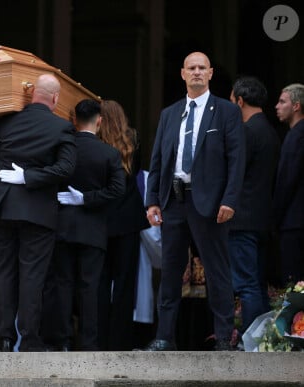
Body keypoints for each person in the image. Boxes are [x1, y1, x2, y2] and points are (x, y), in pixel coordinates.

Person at [144, 52, 245, 351]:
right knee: (171, 273)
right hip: (173, 200)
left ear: (211, 73)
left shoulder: (226, 112)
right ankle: (164, 337)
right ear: (182, 74)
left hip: (211, 204)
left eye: (202, 68)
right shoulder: (169, 114)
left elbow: (236, 161)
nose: (197, 72)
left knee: (217, 272)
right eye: (192, 68)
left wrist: (230, 199)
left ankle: (225, 338)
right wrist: (152, 200)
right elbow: (159, 159)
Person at [0, 73, 76, 351]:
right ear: (56, 98)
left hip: (2, 206)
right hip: (37, 211)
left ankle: (3, 337)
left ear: (32, 93)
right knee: (32, 276)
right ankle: (29, 339)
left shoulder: (5, 121)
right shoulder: (61, 127)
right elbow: (66, 169)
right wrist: (30, 177)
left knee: (3, 274)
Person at [42, 99, 125, 351]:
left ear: (73, 120)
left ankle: (63, 342)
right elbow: (117, 190)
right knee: (90, 288)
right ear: (99, 121)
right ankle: (89, 344)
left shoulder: (62, 150)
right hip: (93, 230)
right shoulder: (109, 153)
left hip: (62, 227)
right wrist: (88, 199)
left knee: (62, 285)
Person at [228, 76, 280, 333]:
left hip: (243, 220)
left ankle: (250, 343)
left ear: (240, 101)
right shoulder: (271, 131)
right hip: (262, 219)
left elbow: (234, 173)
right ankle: (260, 340)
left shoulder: (247, 132)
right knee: (257, 284)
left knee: (246, 284)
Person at [97, 100, 149, 351]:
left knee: (100, 282)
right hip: (128, 220)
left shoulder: (95, 143)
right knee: (125, 284)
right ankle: (121, 340)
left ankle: (100, 339)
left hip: (101, 220)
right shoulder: (132, 142)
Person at [273, 83, 304, 286]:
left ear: (296, 106)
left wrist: (274, 217)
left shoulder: (296, 136)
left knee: (294, 284)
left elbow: (286, 180)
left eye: (282, 101)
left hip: (294, 222)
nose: (277, 106)